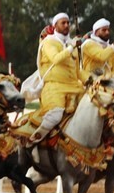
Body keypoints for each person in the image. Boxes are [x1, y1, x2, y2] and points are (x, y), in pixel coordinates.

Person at [22, 13, 83, 142]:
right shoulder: (49, 42)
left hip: (74, 87)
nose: (67, 25)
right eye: (63, 23)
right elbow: (56, 59)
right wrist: (71, 47)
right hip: (53, 87)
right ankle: (33, 142)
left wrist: (93, 79)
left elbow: (78, 73)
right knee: (55, 117)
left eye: (68, 22)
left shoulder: (72, 45)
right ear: (55, 25)